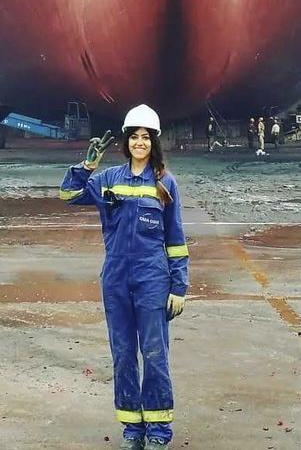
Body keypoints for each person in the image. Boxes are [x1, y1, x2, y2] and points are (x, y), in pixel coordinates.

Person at [59, 104, 189, 450]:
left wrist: (179, 286)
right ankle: (132, 429)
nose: (139, 143)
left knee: (154, 353)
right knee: (123, 354)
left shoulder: (164, 183)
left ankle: (158, 431)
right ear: (126, 141)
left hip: (152, 278)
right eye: (134, 137)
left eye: (145, 137)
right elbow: (68, 195)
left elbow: (175, 238)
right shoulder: (108, 179)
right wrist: (87, 166)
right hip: (116, 278)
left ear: (154, 142)